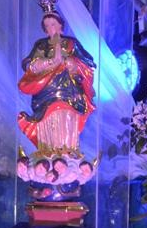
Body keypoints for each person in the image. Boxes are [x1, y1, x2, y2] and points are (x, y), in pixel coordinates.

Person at [18, 11, 95, 157]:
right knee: (47, 122)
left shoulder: (71, 43)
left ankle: (67, 153)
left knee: (66, 119)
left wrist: (72, 63)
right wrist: (41, 64)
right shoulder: (41, 45)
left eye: (53, 24)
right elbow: (28, 63)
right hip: (45, 92)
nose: (50, 28)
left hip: (67, 91)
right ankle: (48, 154)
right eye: (47, 25)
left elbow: (88, 63)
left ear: (60, 25)